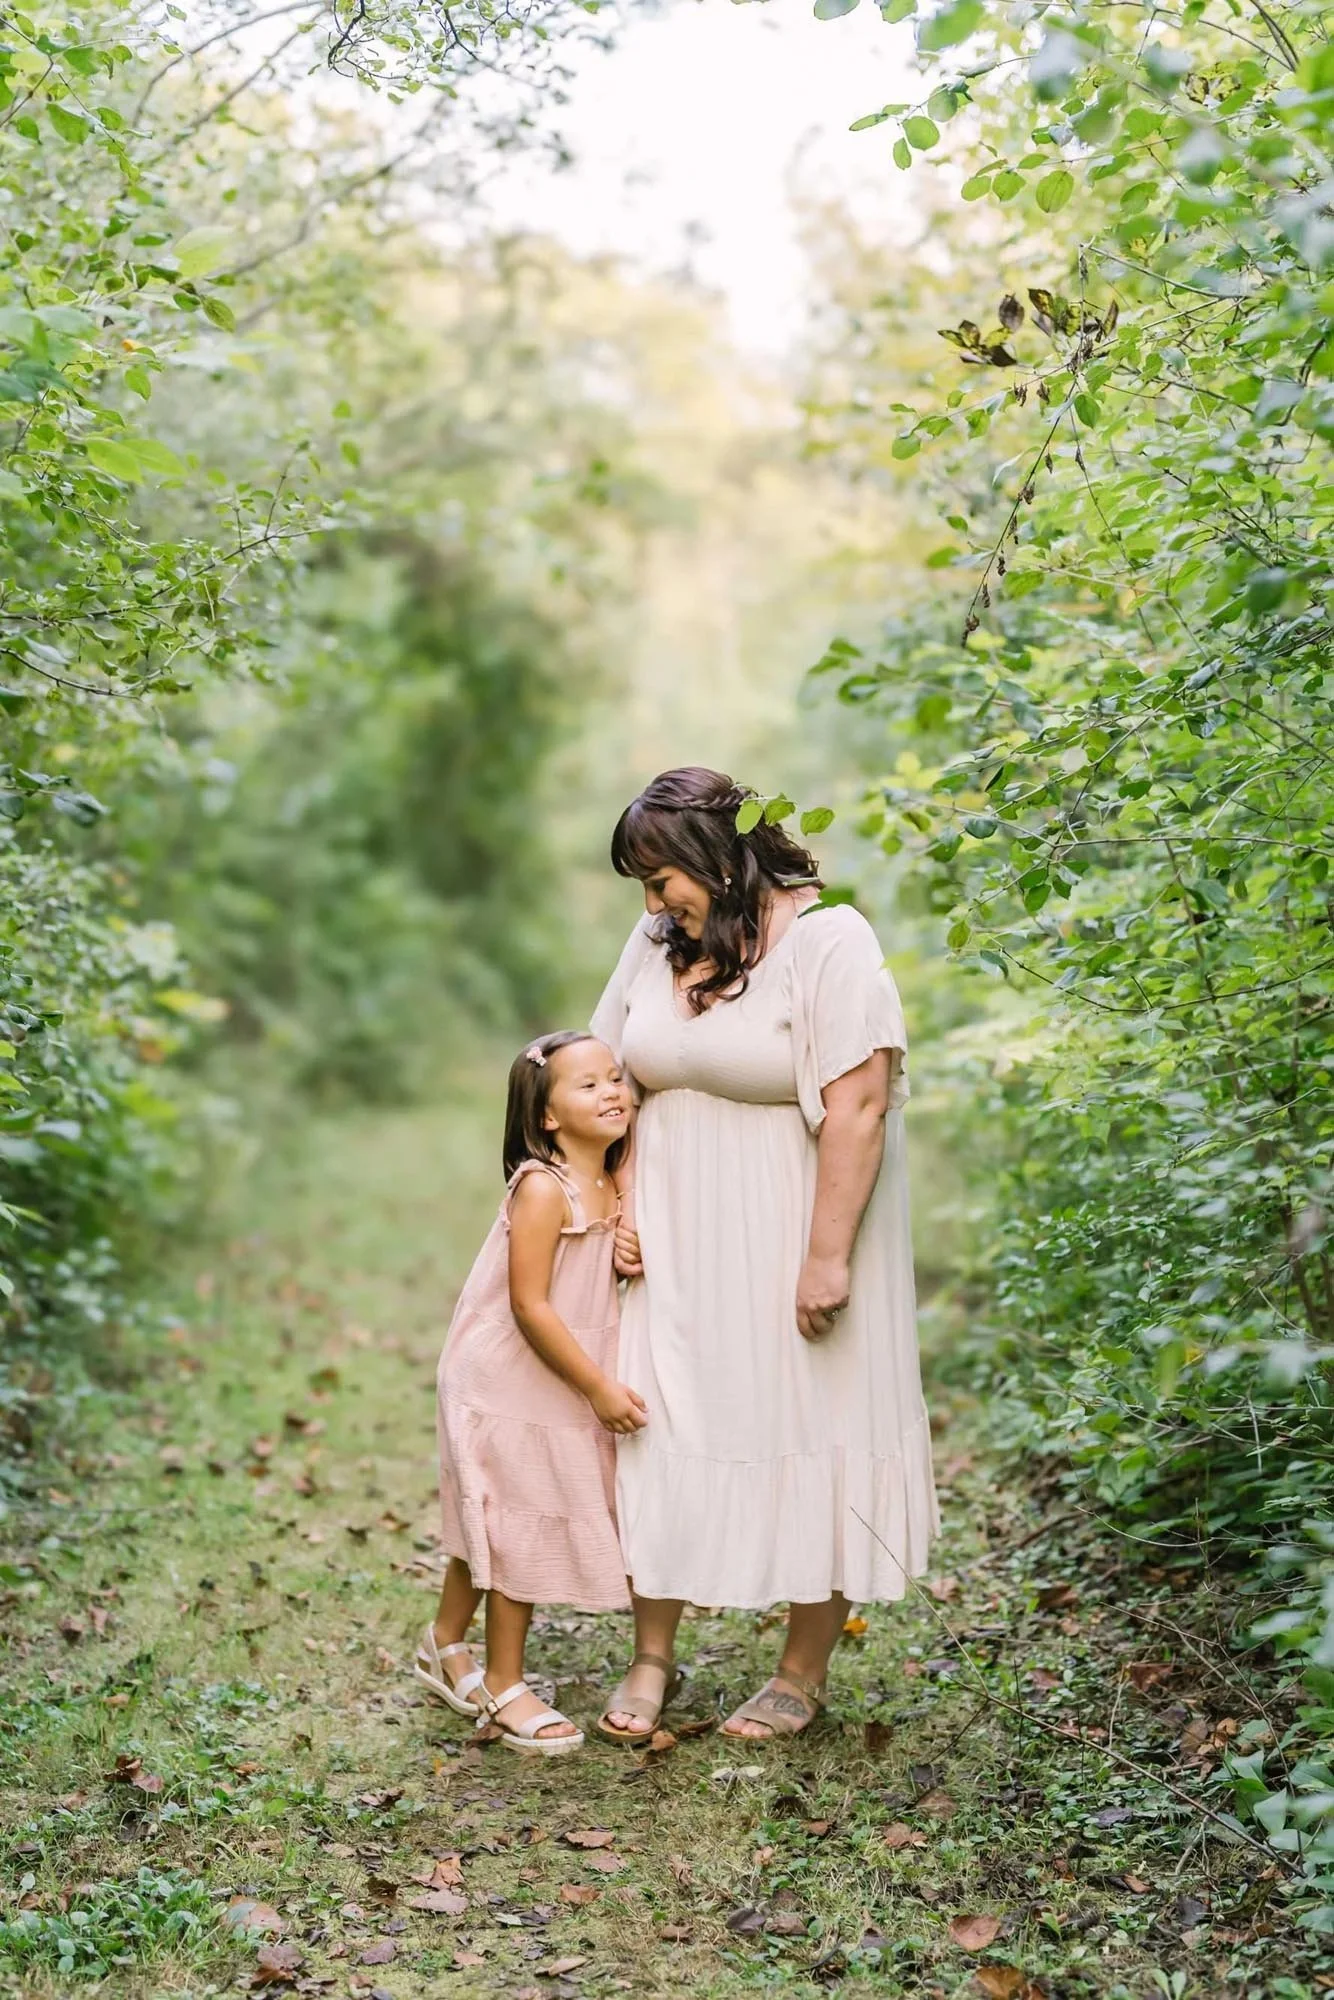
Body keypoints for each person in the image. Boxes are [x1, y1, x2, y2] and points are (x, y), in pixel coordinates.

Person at [591, 766, 938, 1744]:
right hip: (669, 1240)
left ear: (713, 853)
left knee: (810, 1422)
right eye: (644, 887)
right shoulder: (658, 942)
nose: (653, 902)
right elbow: (607, 1073)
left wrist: (826, 1256)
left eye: (661, 879)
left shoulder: (829, 941)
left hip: (792, 1231)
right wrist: (618, 1195)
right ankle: (652, 1651)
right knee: (655, 1427)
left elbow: (859, 1104)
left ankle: (799, 1669)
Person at [414, 1031, 645, 1756]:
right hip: (512, 1374)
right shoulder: (544, 1186)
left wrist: (625, 1242)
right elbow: (531, 1306)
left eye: (615, 1078)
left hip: (553, 1374)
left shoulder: (613, 1175)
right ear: (546, 1116)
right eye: (587, 1086)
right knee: (518, 1523)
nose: (612, 1092)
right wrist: (600, 1387)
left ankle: (444, 1641)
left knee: (494, 1512)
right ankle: (505, 1683)